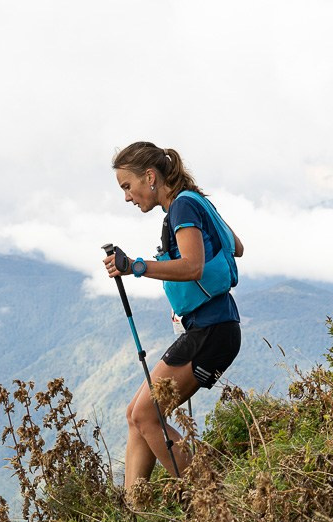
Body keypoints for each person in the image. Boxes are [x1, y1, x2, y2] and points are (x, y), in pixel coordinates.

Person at [103, 141, 243, 488]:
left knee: (146, 414)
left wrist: (135, 266)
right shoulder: (194, 202)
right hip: (214, 327)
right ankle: (134, 513)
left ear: (150, 177)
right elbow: (235, 246)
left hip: (212, 329)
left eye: (127, 186)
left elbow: (193, 266)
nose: (127, 197)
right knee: (135, 415)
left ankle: (208, 498)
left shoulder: (182, 207)